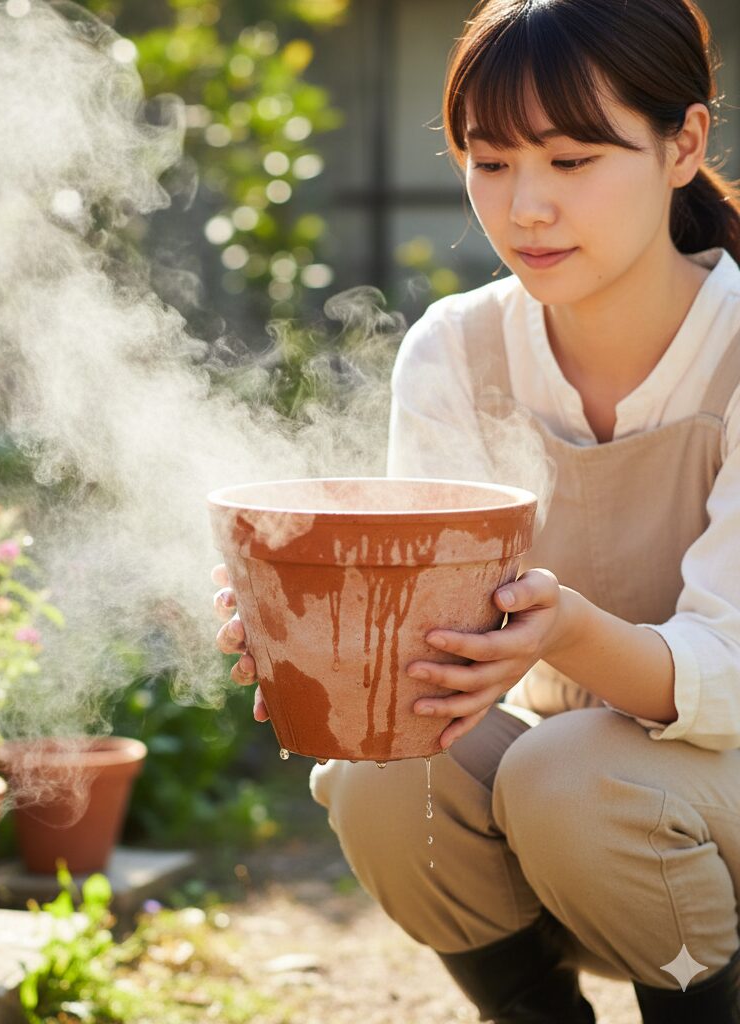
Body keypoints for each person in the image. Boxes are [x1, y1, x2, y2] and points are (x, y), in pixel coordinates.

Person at [212, 0, 740, 1020]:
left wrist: (573, 631)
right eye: (489, 161)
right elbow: (433, 641)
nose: (523, 207)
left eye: (571, 161)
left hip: (689, 784)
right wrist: (321, 635)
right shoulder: (457, 349)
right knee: (381, 775)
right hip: (578, 802)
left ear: (683, 143)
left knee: (570, 774)